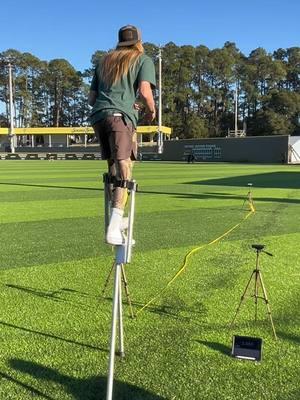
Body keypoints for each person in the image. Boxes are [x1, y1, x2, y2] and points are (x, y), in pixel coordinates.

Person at [88, 25, 156, 245]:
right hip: (120, 118)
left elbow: (91, 98)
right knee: (125, 166)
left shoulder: (103, 61)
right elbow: (145, 92)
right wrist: (151, 110)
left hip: (99, 117)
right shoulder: (142, 59)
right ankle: (114, 226)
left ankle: (116, 218)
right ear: (138, 42)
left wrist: (127, 102)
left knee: (113, 168)